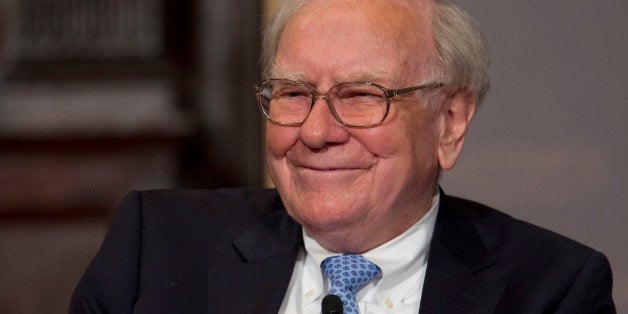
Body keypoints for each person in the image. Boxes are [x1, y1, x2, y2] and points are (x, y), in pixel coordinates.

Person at [70, 0, 616, 313]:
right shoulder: (156, 250)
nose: (315, 131)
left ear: (449, 122)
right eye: (292, 93)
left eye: (360, 96)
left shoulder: (552, 291)